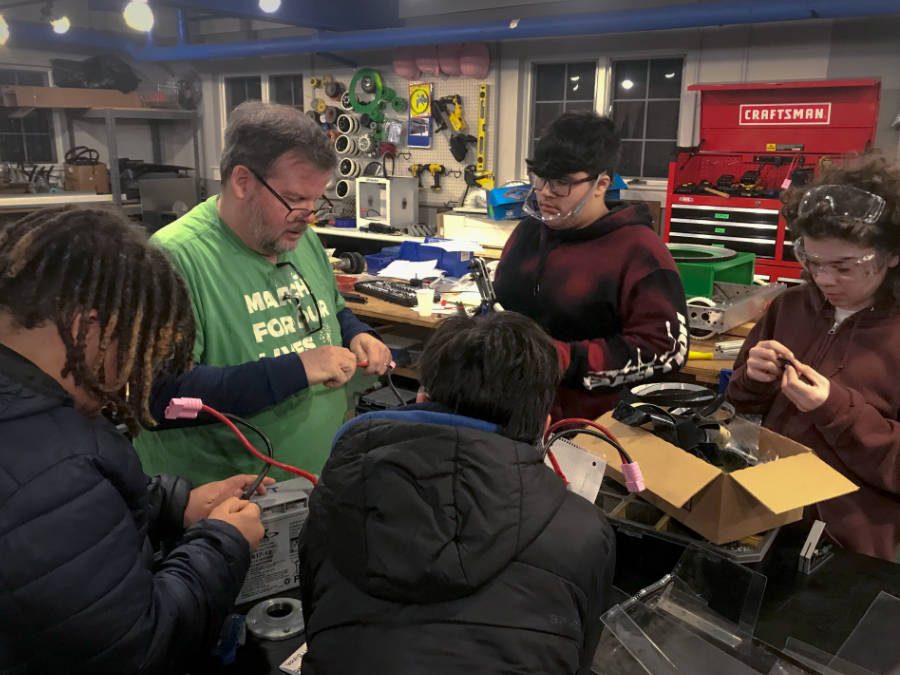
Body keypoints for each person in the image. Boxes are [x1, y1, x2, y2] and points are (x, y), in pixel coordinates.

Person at [0, 206, 269, 673]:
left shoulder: (33, 416)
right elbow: (140, 647)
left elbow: (63, 524)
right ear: (86, 330)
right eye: (131, 347)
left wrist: (174, 505)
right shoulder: (52, 470)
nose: (129, 376)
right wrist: (223, 543)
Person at [299, 311, 616, 675]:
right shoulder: (585, 532)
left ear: (421, 400)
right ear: (544, 429)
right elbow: (582, 651)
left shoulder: (333, 501)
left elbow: (315, 619)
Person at [135, 101, 391, 485]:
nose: (309, 214)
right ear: (243, 181)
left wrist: (357, 334)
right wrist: (297, 369)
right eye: (295, 199)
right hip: (223, 509)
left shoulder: (297, 238)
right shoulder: (174, 259)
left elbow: (332, 309)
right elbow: (158, 400)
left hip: (314, 481)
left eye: (315, 200)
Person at [727, 156, 900, 561]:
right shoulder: (790, 308)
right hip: (764, 513)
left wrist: (837, 409)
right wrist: (753, 380)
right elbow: (740, 409)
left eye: (844, 266)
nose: (824, 280)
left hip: (851, 542)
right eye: (813, 262)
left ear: (891, 255)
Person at [494, 112, 688, 422]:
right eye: (540, 178)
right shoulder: (528, 233)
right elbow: (502, 304)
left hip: (590, 424)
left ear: (601, 184)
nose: (544, 192)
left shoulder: (639, 250)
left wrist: (559, 359)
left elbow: (665, 349)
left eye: (561, 183)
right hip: (511, 407)